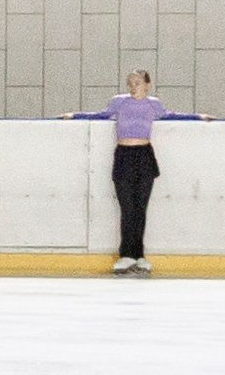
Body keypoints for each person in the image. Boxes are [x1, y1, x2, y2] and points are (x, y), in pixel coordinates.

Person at [67, 70, 210, 276]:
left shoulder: (153, 104)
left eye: (137, 83)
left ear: (147, 85)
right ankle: (126, 254)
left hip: (144, 156)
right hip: (124, 156)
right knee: (127, 207)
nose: (133, 87)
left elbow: (170, 115)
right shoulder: (119, 102)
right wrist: (74, 115)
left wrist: (198, 117)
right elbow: (101, 114)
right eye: (129, 83)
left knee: (140, 208)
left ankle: (139, 255)